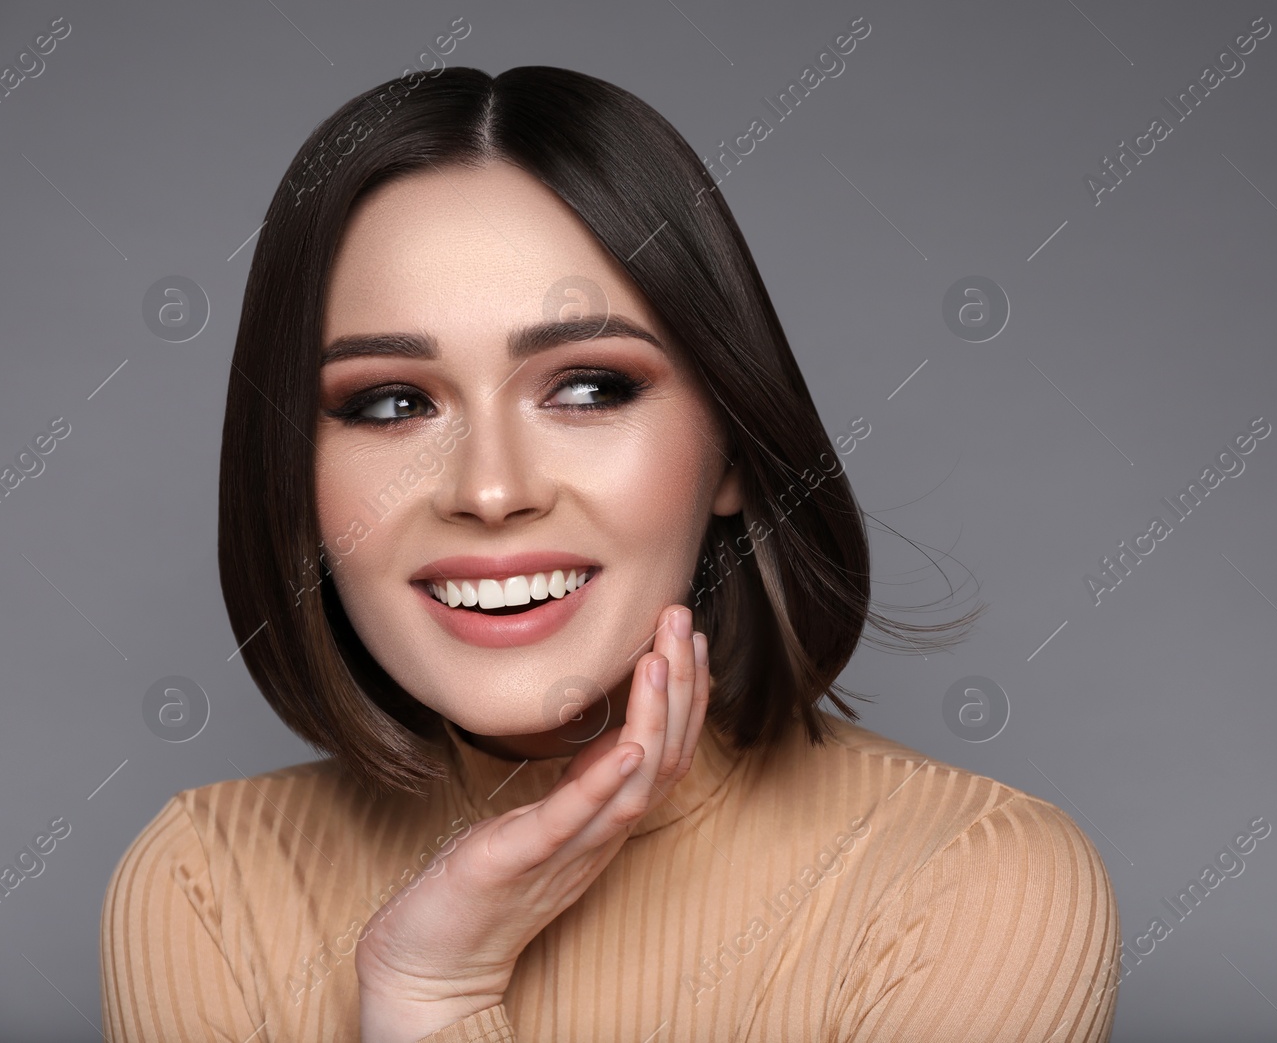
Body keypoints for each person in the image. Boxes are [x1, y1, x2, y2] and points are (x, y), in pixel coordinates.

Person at [98, 65, 1120, 1042]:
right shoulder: (211, 879)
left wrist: (430, 995)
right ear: (292, 471)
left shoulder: (969, 881)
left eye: (587, 387)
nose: (490, 490)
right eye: (393, 402)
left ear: (731, 445)